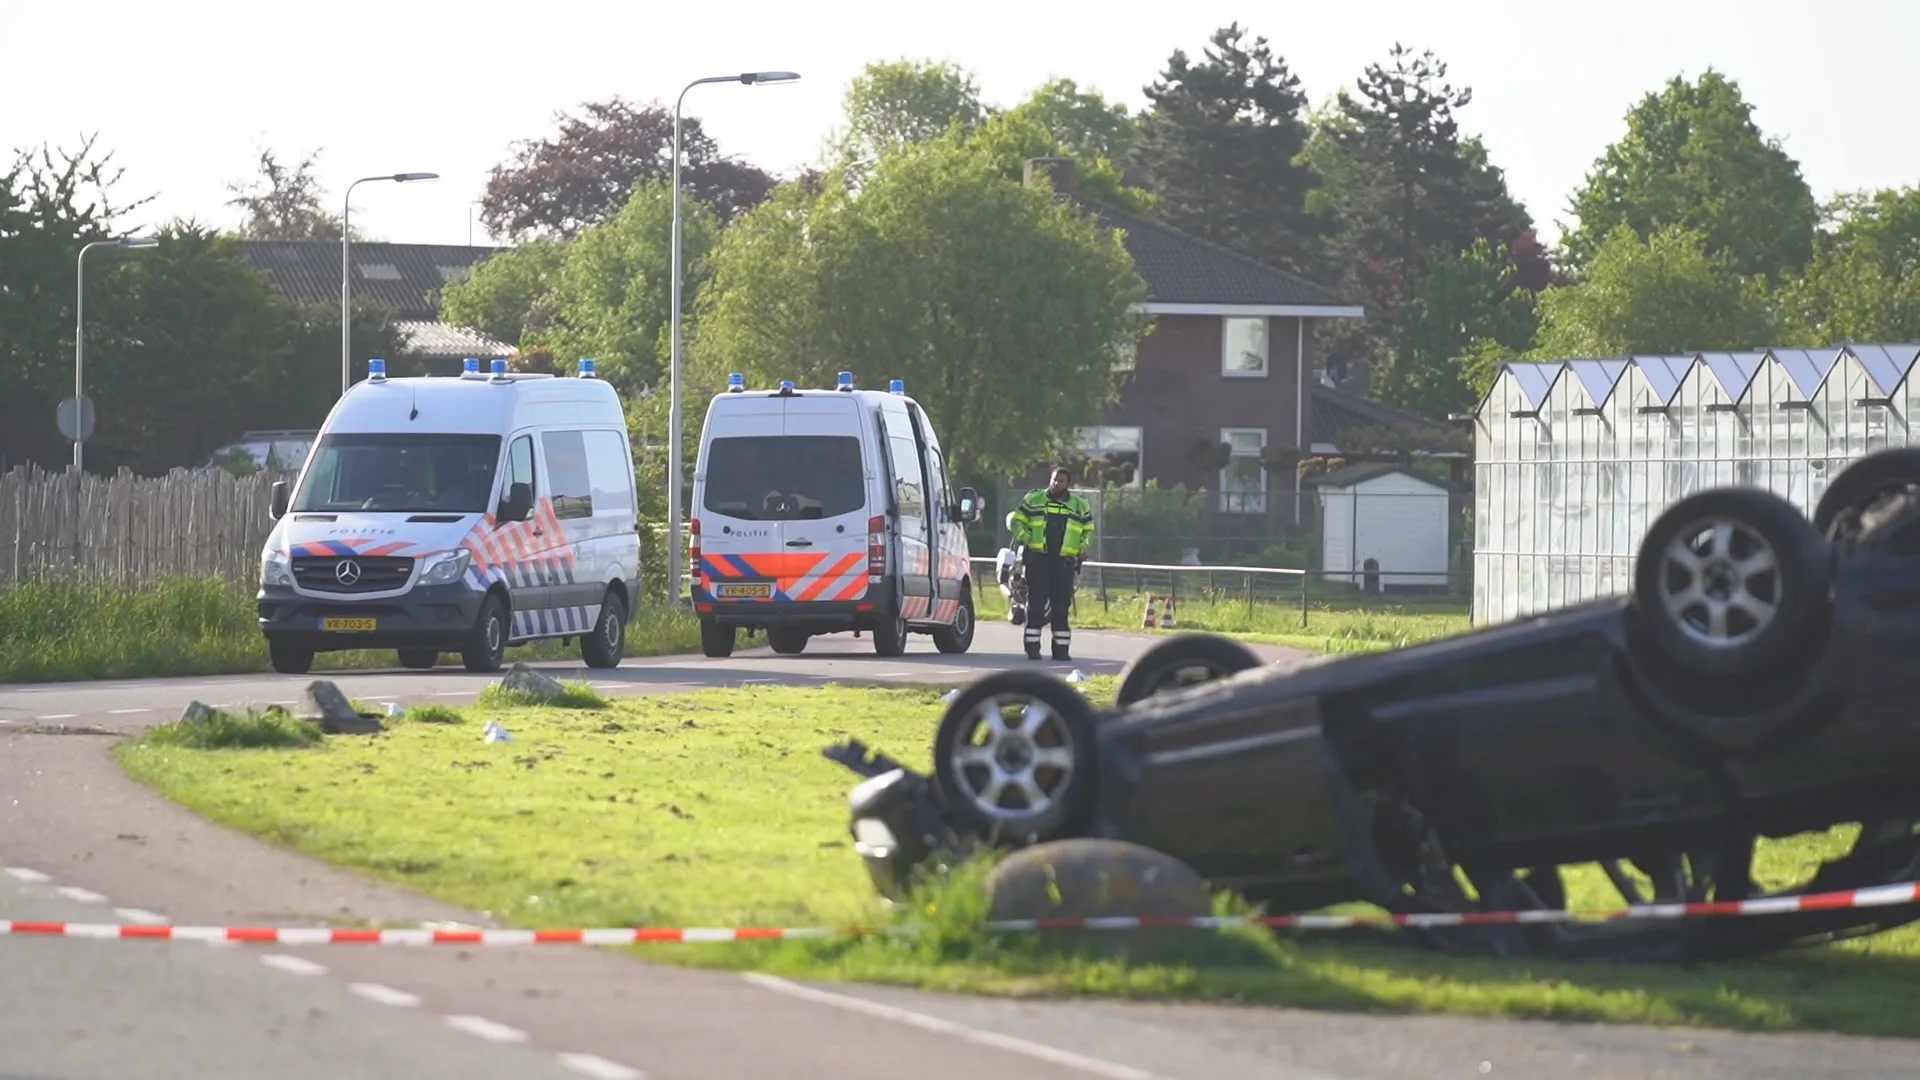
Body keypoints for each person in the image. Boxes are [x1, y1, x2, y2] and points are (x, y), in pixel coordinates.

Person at [1010, 466, 1095, 661]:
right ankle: (1032, 648)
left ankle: (1061, 650)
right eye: (1054, 480)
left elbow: (1088, 530)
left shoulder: (1079, 505)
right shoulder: (1034, 499)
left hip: (1064, 562)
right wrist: (1027, 539)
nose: (1056, 483)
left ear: (1068, 484)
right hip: (1038, 559)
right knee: (1036, 605)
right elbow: (1017, 521)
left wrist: (1080, 548)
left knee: (1061, 607)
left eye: (1061, 481)